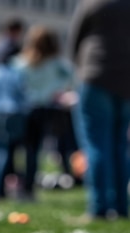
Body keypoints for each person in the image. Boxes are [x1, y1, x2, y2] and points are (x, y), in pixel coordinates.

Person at [68, 0, 130, 220]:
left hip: (95, 75)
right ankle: (122, 206)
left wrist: (79, 68)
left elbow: (75, 39)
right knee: (120, 146)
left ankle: (99, 207)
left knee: (96, 144)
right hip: (125, 82)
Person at [13, 26, 74, 201]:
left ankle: (16, 184)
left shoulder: (21, 62)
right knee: (35, 150)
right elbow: (72, 77)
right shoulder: (56, 64)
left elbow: (12, 76)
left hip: (24, 108)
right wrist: (56, 89)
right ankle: (29, 187)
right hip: (45, 109)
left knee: (20, 149)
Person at [0, 44, 27, 201]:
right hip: (13, 113)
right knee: (9, 152)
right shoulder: (17, 72)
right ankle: (2, 190)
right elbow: (23, 94)